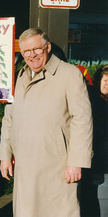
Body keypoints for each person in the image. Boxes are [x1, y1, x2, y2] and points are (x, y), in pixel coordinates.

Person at [0, 28, 93, 217]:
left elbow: (82, 119)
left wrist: (76, 162)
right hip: (25, 165)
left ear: (47, 47)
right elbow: (10, 117)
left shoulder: (70, 74)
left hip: (57, 166)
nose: (32, 56)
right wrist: (5, 155)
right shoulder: (20, 76)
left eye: (37, 49)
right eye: (26, 52)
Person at [81, 65, 108, 217]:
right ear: (98, 80)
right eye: (105, 80)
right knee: (88, 195)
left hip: (96, 159)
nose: (107, 84)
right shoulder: (92, 98)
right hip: (90, 157)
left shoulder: (103, 99)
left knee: (91, 195)